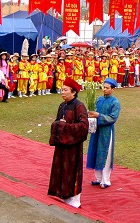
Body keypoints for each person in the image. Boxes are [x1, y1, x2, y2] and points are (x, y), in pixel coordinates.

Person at [48, 78, 89, 208]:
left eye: (65, 90)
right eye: (62, 90)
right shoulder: (62, 105)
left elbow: (83, 126)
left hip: (73, 146)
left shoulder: (79, 106)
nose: (62, 92)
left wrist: (64, 127)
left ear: (74, 92)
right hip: (61, 144)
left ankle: (75, 198)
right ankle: (63, 194)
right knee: (61, 169)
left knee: (72, 170)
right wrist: (59, 125)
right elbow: (57, 121)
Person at [86, 78, 121, 189]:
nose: (104, 90)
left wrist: (98, 116)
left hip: (106, 132)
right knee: (96, 152)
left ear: (112, 89)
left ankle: (106, 180)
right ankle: (98, 178)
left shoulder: (115, 102)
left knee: (105, 154)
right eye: (104, 87)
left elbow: (113, 118)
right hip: (96, 130)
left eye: (107, 88)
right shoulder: (99, 99)